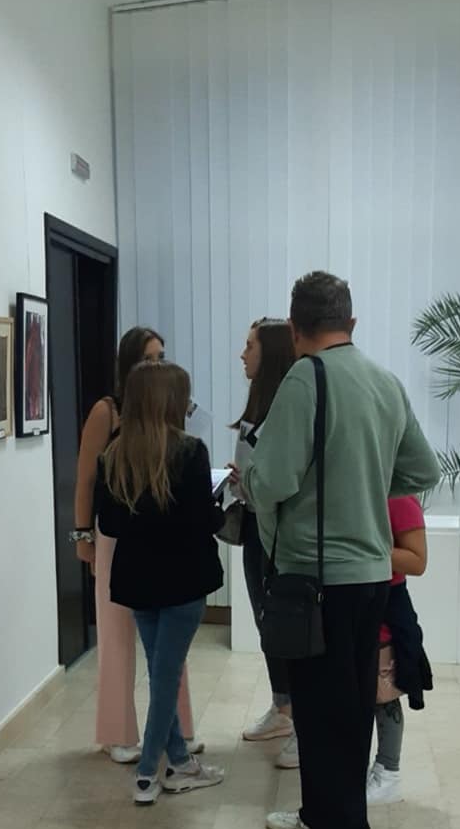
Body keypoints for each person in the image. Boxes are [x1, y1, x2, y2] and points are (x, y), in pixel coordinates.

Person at [241, 271, 440, 829]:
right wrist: (363, 483)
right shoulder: (384, 381)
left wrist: (256, 484)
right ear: (350, 323)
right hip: (370, 578)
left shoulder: (305, 378)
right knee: (337, 706)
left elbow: (272, 481)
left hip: (317, 577)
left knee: (329, 715)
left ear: (297, 329)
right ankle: (320, 816)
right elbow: (422, 469)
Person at [96, 361, 226, 804]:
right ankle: (148, 773)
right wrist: (220, 506)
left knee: (161, 673)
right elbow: (203, 521)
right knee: (165, 679)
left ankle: (182, 763)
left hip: (138, 581)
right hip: (184, 580)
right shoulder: (190, 452)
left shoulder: (114, 455)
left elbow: (110, 525)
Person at [72, 327, 200, 764]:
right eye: (148, 358)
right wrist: (82, 536)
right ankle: (117, 732)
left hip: (163, 536)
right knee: (116, 636)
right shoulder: (107, 412)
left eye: (161, 356)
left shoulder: (165, 409)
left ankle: (178, 730)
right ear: (129, 363)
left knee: (171, 642)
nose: (157, 365)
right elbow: (86, 479)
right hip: (115, 534)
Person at [230, 319, 298, 767]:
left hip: (280, 533)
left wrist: (250, 479)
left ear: (269, 353)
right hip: (254, 525)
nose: (243, 354)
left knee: (287, 626)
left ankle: (299, 718)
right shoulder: (257, 404)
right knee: (264, 621)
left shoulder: (286, 411)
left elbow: (279, 481)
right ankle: (282, 706)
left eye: (250, 345)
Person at [369, 495, 430, 804]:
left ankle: (388, 771)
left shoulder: (398, 496)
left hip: (386, 603)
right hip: (355, 598)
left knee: (384, 692)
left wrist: (361, 548)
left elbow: (417, 561)